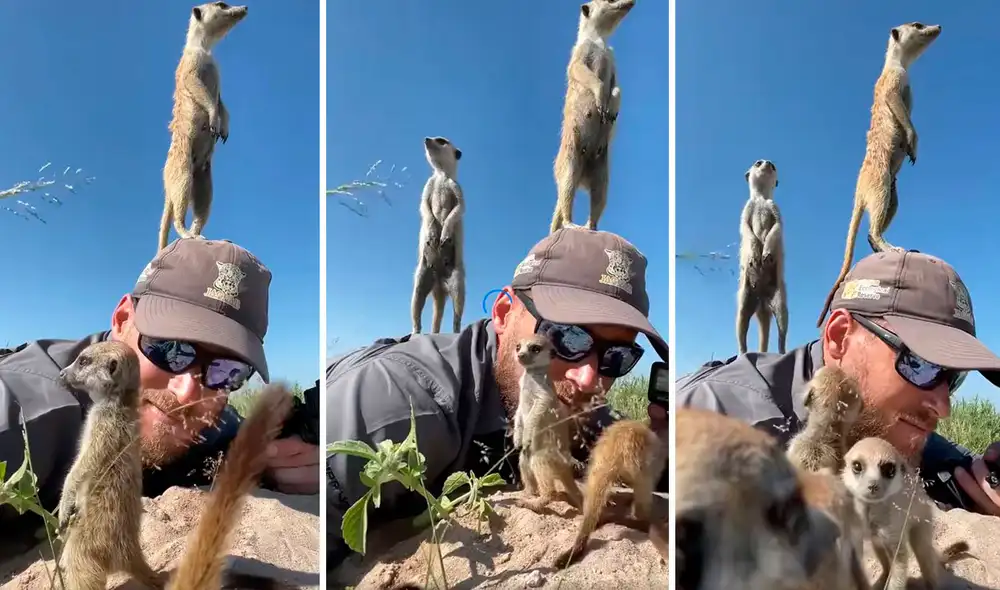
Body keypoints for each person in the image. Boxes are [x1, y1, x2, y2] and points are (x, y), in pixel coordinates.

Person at [325, 227, 669, 568]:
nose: (589, 378)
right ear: (504, 314)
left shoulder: (573, 398)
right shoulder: (405, 407)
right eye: (569, 337)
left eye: (617, 357)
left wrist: (661, 451)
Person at [0, 238, 320, 537]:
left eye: (228, 371)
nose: (188, 394)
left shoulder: (212, 421)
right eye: (170, 350)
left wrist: (279, 461)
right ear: (123, 319)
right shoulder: (29, 414)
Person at [677, 249, 1000, 515]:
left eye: (953, 376)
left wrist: (986, 483)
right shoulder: (725, 417)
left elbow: (961, 467)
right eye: (921, 365)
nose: (943, 408)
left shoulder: (887, 422)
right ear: (839, 336)